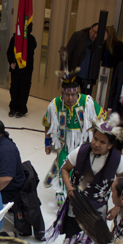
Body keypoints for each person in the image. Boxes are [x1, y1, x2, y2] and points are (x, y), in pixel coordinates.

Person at [45, 114, 123, 244]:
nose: (96, 144)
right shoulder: (80, 152)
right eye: (95, 139)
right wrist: (69, 188)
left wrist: (117, 207)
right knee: (72, 232)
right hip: (76, 203)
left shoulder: (117, 159)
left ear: (110, 145)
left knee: (94, 237)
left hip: (98, 206)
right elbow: (64, 169)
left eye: (102, 142)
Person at [42, 77, 106, 206]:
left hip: (84, 144)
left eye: (73, 95)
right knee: (63, 168)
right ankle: (63, 195)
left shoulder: (87, 102)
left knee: (82, 171)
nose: (70, 98)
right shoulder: (55, 105)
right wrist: (47, 142)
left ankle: (80, 195)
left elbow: (102, 116)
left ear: (77, 93)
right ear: (62, 93)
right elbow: (47, 123)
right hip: (65, 144)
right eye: (67, 95)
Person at [6, 24, 37, 118]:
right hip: (15, 68)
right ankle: (13, 108)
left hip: (26, 69)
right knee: (14, 88)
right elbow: (9, 52)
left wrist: (23, 41)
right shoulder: (14, 38)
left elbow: (29, 51)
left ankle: (21, 109)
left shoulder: (31, 39)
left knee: (24, 88)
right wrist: (11, 62)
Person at [66, 23, 104, 94]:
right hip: (75, 74)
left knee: (85, 101)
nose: (95, 35)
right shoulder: (78, 36)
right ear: (90, 29)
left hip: (88, 78)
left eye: (98, 34)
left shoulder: (100, 43)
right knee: (71, 98)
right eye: (94, 32)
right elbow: (67, 53)